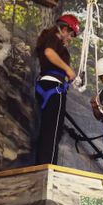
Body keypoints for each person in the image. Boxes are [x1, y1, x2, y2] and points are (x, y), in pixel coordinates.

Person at [35, 14, 80, 165]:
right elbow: (49, 53)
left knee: (46, 130)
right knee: (53, 132)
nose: (70, 38)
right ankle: (48, 167)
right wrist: (69, 70)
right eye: (71, 34)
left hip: (45, 86)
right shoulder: (53, 38)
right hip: (54, 89)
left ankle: (41, 165)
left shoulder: (49, 38)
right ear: (64, 29)